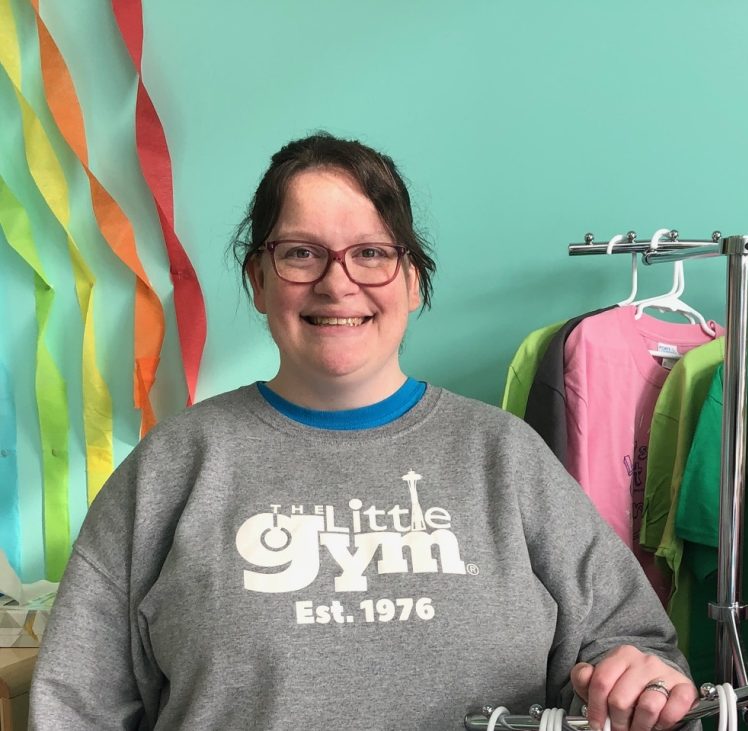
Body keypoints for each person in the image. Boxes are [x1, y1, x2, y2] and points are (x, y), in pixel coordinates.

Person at [29, 133, 700, 730]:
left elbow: (639, 653)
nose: (336, 283)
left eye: (371, 253)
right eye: (300, 253)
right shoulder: (173, 467)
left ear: (413, 280)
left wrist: (638, 678)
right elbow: (75, 702)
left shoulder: (505, 457)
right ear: (258, 279)